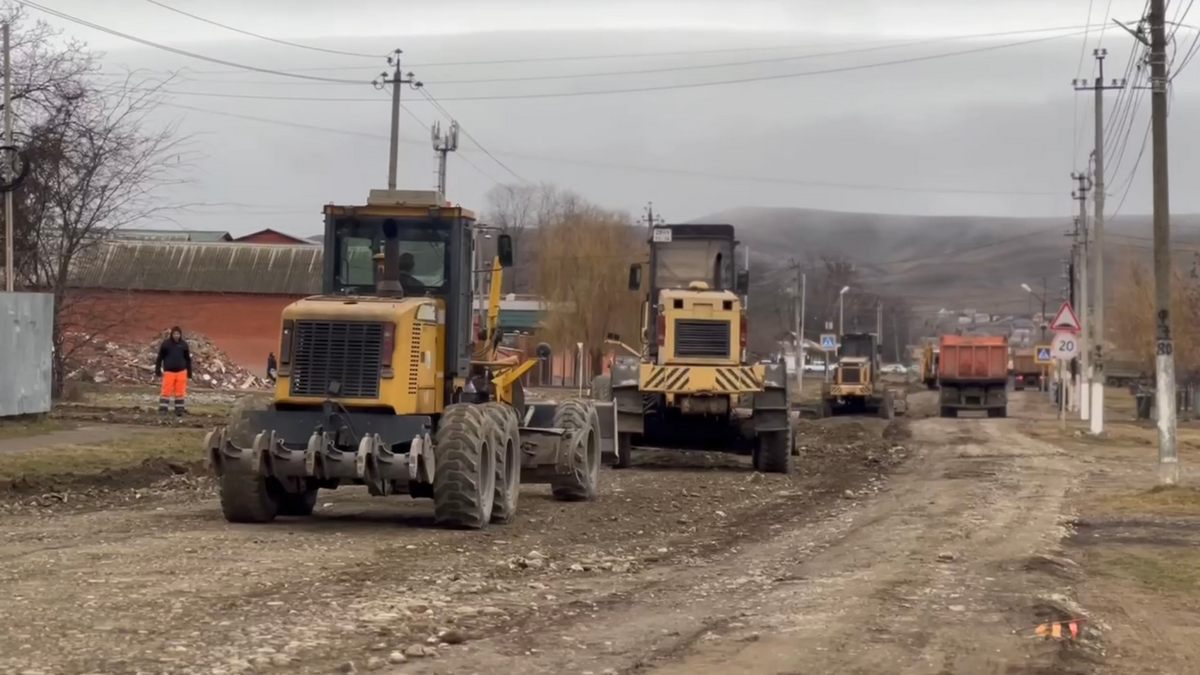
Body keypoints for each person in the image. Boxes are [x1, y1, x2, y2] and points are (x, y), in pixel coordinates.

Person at [155, 326, 192, 418]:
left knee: (180, 392)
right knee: (166, 391)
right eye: (175, 334)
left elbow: (188, 359)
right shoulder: (166, 344)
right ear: (171, 334)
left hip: (181, 372)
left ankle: (179, 410)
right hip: (169, 372)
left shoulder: (184, 345)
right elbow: (160, 358)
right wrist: (158, 369)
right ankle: (163, 409)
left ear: (180, 335)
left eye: (178, 334)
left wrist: (189, 372)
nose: (176, 336)